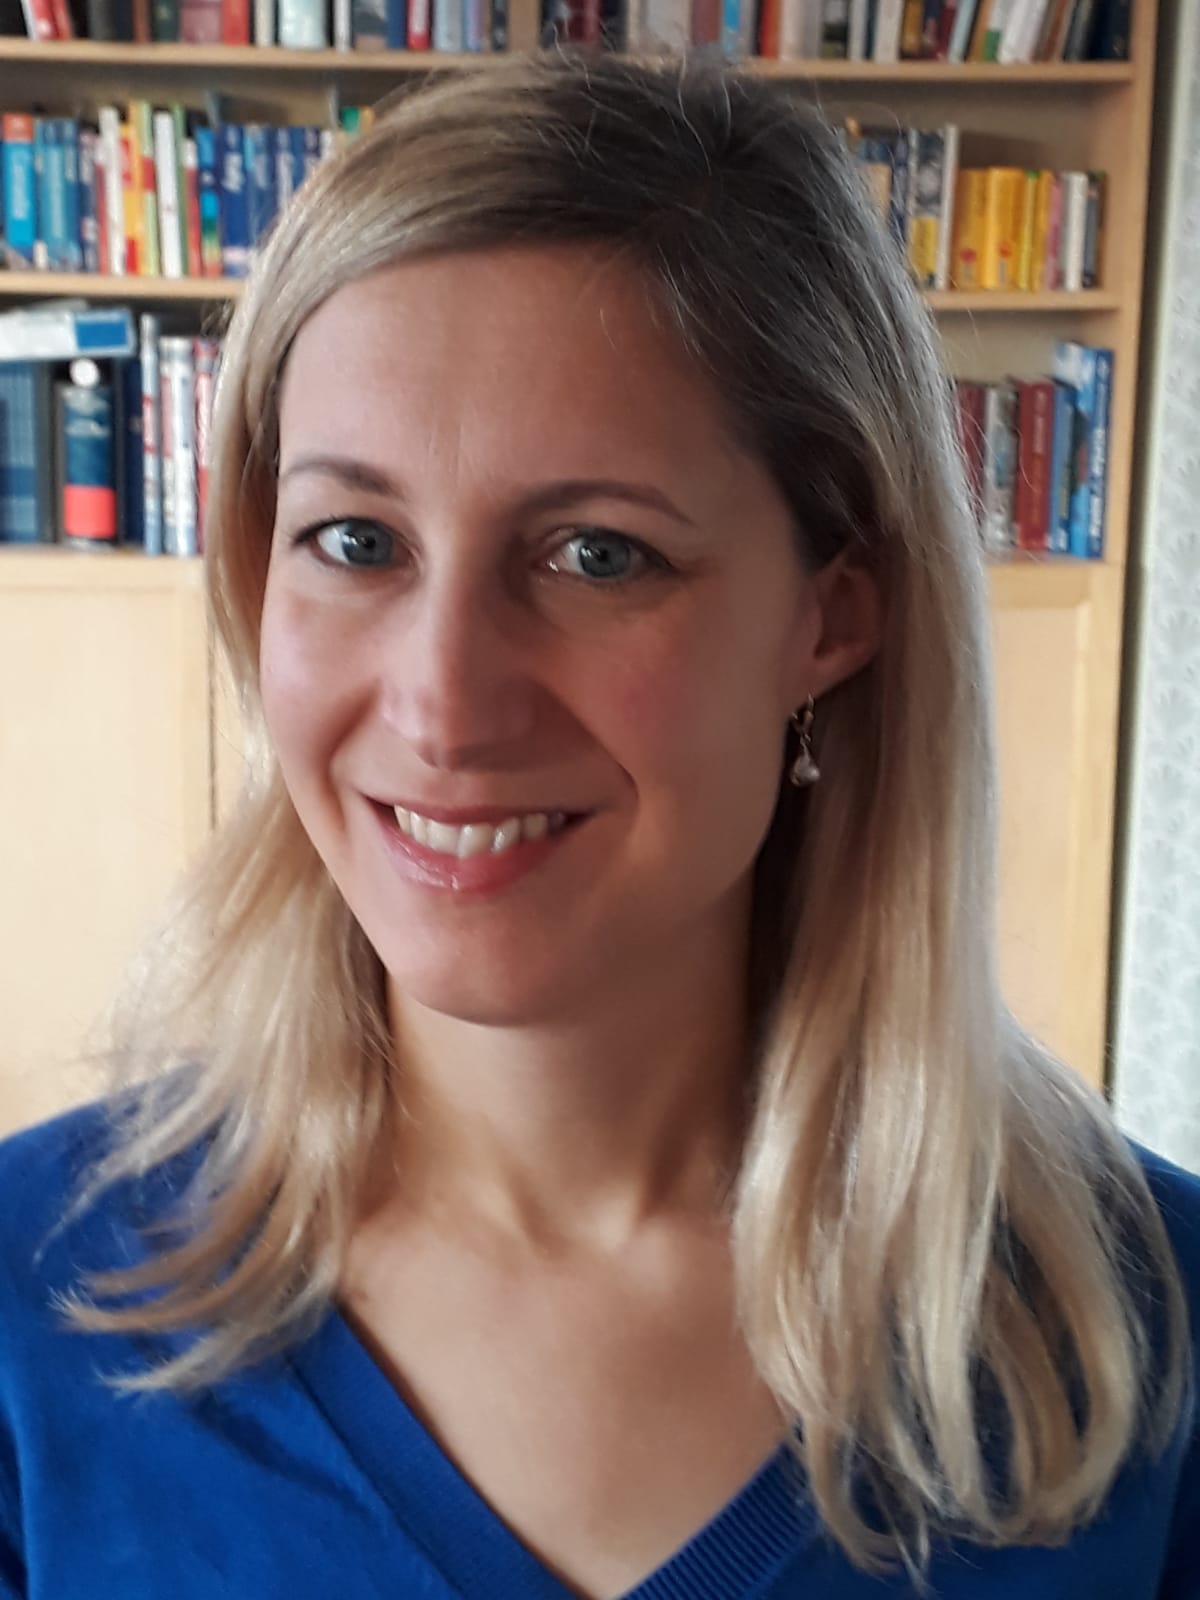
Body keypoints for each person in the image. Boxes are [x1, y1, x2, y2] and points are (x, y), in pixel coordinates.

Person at [0, 51, 1196, 1600]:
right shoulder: (34, 1302)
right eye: (355, 540)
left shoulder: (1145, 1326)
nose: (443, 706)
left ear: (834, 613)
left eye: (597, 556)